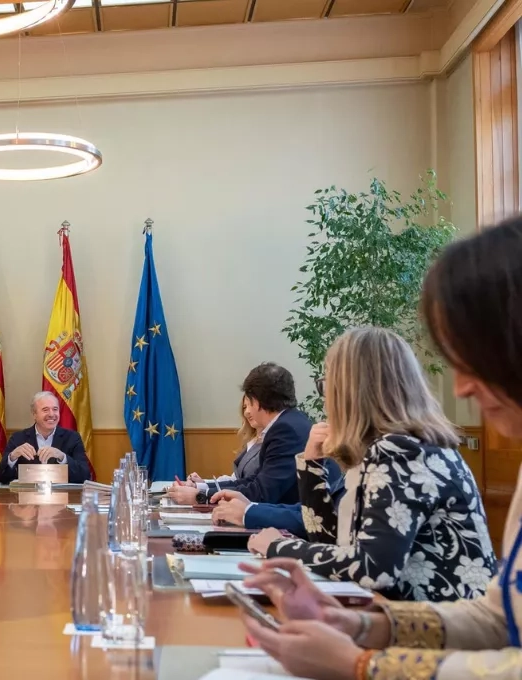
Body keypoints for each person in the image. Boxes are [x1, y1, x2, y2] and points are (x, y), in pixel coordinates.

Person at [240, 217, 522, 678]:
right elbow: (499, 620)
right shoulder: (382, 451)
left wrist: (362, 661)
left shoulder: (401, 452)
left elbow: (372, 569)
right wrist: (357, 625)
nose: (462, 387)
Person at [247, 327, 494, 601]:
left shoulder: (401, 451)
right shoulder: (393, 446)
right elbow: (331, 543)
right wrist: (311, 464)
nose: (325, 398)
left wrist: (279, 547)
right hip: (408, 613)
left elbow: (372, 568)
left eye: (326, 385)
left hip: (442, 620)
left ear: (351, 391)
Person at [168, 363, 312, 505]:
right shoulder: (292, 421)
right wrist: (201, 488)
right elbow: (253, 481)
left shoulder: (285, 430)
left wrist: (200, 497)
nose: (247, 411)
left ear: (256, 400)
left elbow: (262, 493)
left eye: (248, 402)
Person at [0, 391, 91, 485]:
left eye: (55, 409)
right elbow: (0, 478)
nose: (51, 414)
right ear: (34, 414)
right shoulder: (18, 438)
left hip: (63, 495)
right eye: (45, 410)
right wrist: (12, 457)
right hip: (27, 495)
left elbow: (85, 476)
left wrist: (62, 457)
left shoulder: (72, 438)